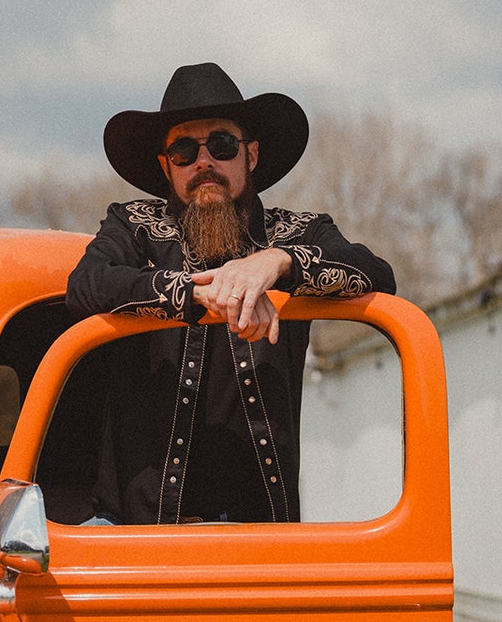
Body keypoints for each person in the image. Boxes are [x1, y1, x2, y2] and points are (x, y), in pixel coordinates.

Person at [66, 62, 395, 524]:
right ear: (166, 166)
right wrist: (197, 294)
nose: (203, 162)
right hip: (134, 533)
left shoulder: (298, 232)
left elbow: (377, 275)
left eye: (221, 145)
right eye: (183, 150)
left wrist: (278, 263)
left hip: (258, 534)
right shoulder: (134, 225)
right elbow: (86, 285)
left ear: (251, 156)